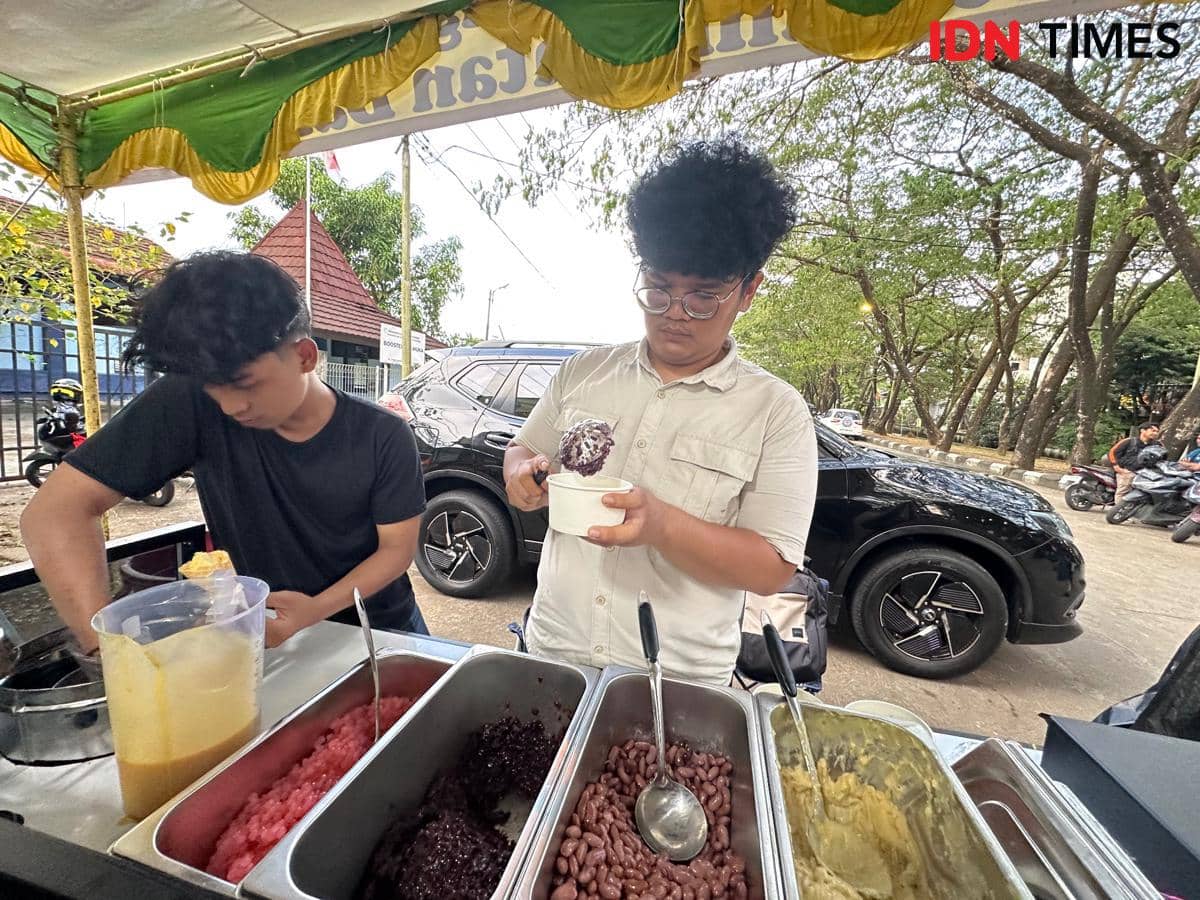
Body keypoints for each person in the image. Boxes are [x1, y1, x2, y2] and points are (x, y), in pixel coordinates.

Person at [503, 138, 817, 685]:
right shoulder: (584, 371)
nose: (675, 314)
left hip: (677, 681)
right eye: (658, 289)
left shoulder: (776, 412)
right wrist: (519, 476)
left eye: (703, 297)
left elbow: (772, 568)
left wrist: (663, 525)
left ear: (748, 292)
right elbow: (524, 448)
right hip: (552, 651)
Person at [21, 252, 427, 651]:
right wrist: (107, 653)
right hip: (265, 634)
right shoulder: (191, 397)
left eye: (246, 383)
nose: (231, 406)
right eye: (213, 389)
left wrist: (314, 610)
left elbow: (395, 550)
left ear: (304, 356)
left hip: (383, 631)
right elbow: (55, 513)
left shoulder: (383, 434)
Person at [1108, 422, 1163, 504]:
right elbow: (1112, 452)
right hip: (1128, 471)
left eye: (1157, 431)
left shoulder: (1158, 445)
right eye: (1152, 431)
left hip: (1147, 474)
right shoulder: (1129, 441)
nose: (1155, 433)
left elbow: (1163, 458)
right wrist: (1117, 468)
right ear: (1142, 431)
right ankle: (1117, 512)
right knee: (1123, 492)